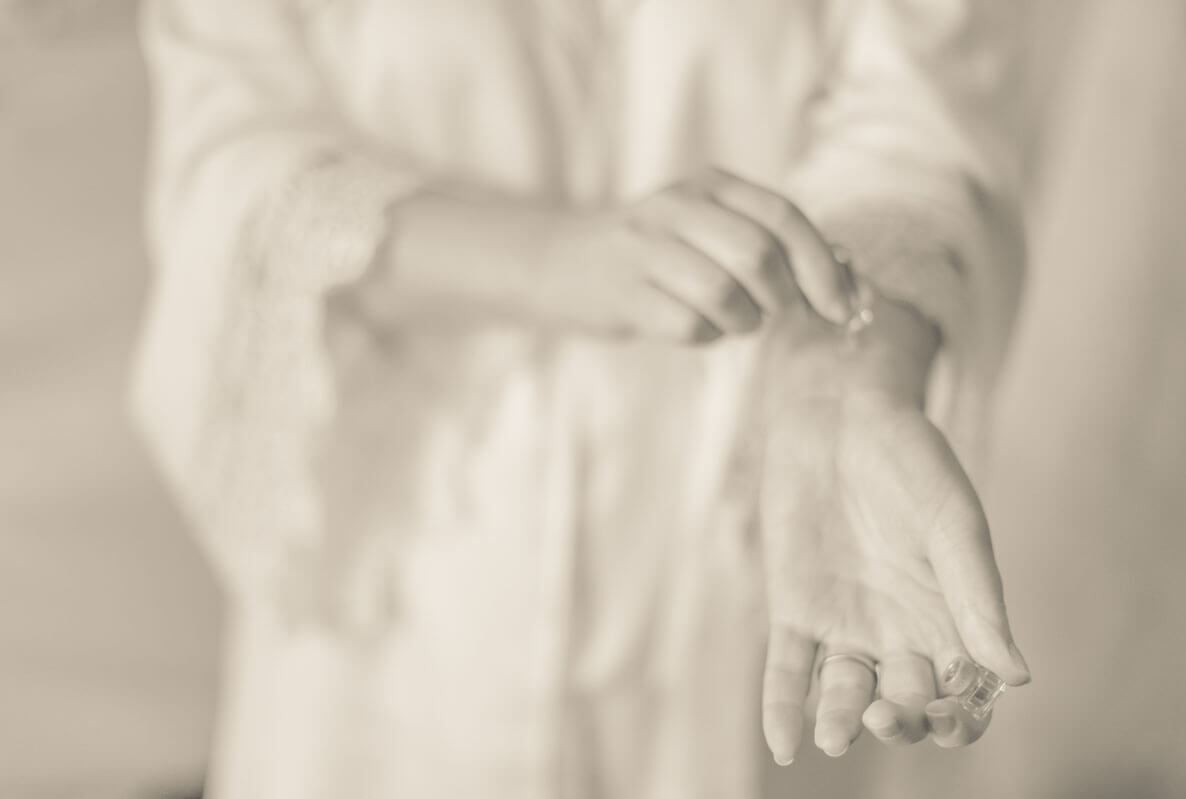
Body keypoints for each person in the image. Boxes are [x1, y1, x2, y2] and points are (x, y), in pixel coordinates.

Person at [132, 1, 1030, 796]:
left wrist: (842, 368)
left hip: (751, 560)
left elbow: (919, 125)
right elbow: (229, 149)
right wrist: (554, 260)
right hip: (401, 567)